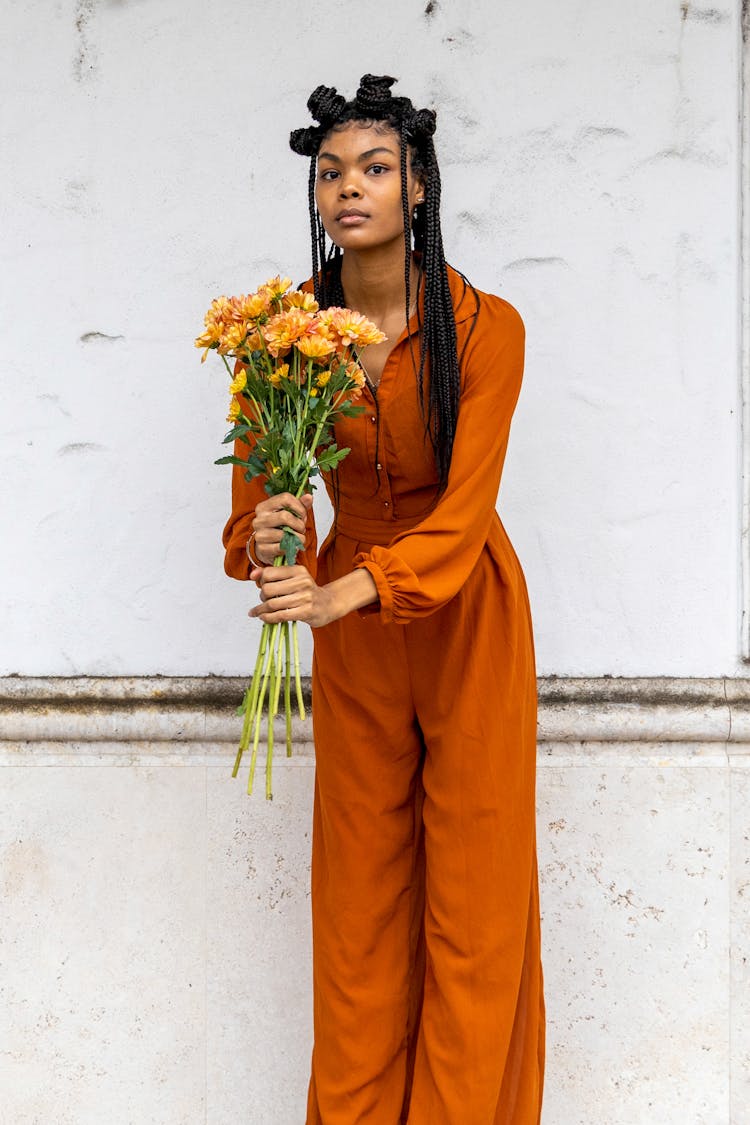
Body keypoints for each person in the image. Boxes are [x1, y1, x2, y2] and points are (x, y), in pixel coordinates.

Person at [222, 73, 545, 1125]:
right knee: (358, 904)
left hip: (467, 614)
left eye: (373, 168)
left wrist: (341, 592)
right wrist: (275, 540)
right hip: (352, 631)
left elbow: (464, 515)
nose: (347, 188)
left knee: (476, 899)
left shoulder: (487, 328)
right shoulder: (280, 335)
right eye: (330, 172)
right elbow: (261, 498)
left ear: (418, 189)